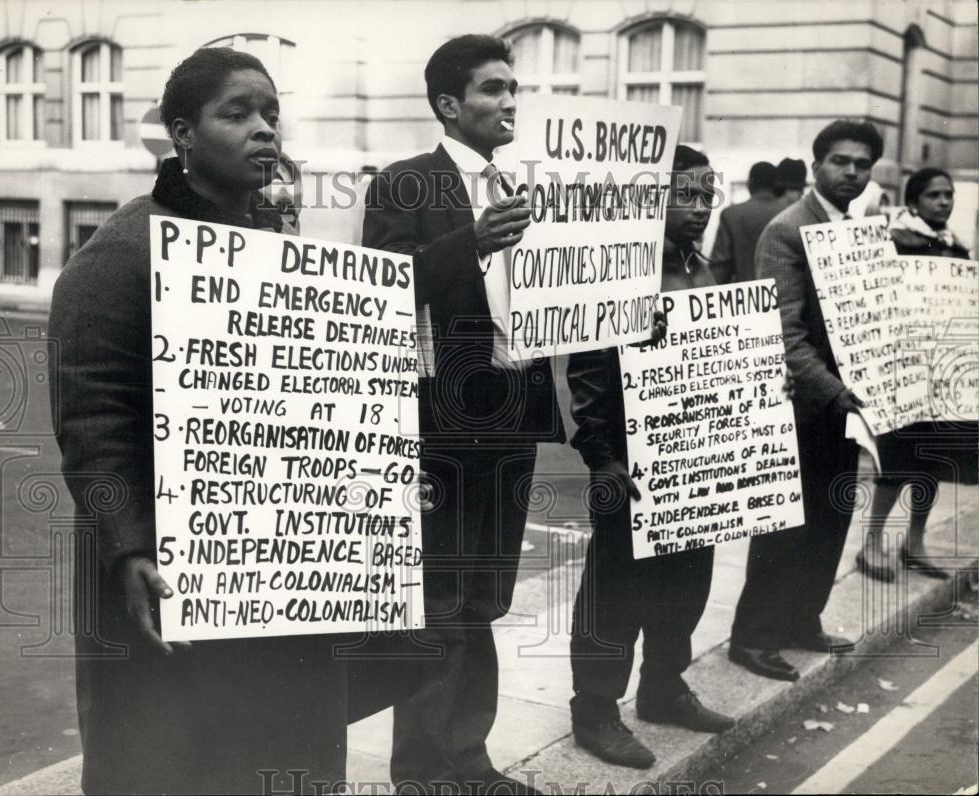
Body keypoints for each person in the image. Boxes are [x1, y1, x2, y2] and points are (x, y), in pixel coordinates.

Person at [49, 48, 347, 795]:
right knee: (167, 754)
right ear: (182, 134)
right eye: (237, 113)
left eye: (271, 113)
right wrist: (127, 548)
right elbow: (92, 412)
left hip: (272, 566)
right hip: (166, 570)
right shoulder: (123, 248)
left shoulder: (280, 246)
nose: (264, 131)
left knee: (276, 744)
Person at [361, 34, 565, 795]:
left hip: (513, 417)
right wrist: (471, 241)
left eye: (514, 88)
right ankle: (421, 771)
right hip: (442, 426)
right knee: (438, 599)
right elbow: (384, 285)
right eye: (492, 89)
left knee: (485, 596)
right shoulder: (404, 184)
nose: (510, 101)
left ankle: (467, 758)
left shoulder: (538, 183)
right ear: (449, 104)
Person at [566, 145, 735, 770]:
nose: (699, 207)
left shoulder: (706, 268)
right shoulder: (618, 273)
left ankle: (664, 687)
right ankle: (596, 710)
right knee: (615, 588)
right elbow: (585, 372)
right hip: (632, 465)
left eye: (706, 194)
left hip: (697, 460)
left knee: (687, 581)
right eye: (684, 194)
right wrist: (601, 456)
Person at [728, 119, 885, 682]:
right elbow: (783, 333)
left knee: (832, 514)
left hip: (847, 406)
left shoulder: (859, 227)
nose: (852, 173)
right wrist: (838, 393)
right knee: (785, 525)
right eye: (841, 162)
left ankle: (802, 619)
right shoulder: (788, 229)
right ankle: (754, 637)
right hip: (804, 402)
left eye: (862, 165)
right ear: (816, 165)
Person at [857, 167, 976, 582]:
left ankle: (915, 542)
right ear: (914, 202)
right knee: (896, 460)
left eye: (948, 195)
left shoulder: (957, 249)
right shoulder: (895, 242)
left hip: (941, 374)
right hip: (902, 370)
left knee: (932, 460)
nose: (944, 202)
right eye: (934, 196)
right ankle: (871, 544)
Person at [710, 161, 782, 284]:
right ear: (776, 185)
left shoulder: (731, 215)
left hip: (744, 298)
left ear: (750, 184)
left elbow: (720, 269)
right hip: (784, 296)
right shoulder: (789, 213)